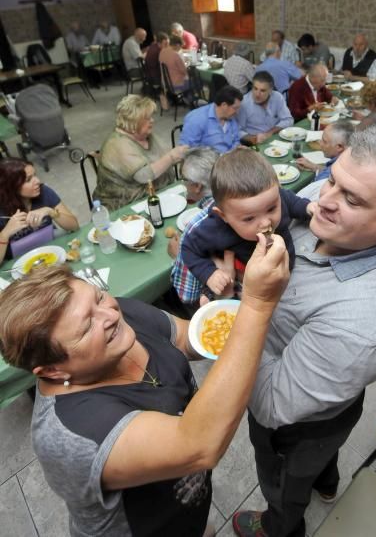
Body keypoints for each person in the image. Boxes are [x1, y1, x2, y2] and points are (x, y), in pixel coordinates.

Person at [232, 125, 376, 537]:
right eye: (332, 178)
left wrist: (245, 314)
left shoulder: (367, 325)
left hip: (299, 424)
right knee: (320, 463)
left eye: (352, 199)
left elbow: (273, 404)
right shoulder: (327, 205)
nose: (321, 202)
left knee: (285, 483)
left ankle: (278, 527)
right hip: (329, 390)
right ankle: (327, 483)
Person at [0, 239, 289, 537]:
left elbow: (184, 339)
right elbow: (199, 444)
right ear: (52, 369)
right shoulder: (73, 434)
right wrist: (256, 306)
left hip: (184, 507)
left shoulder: (115, 318)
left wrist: (218, 326)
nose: (111, 315)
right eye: (87, 327)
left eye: (98, 298)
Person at [182, 147, 312, 300]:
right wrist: (209, 273)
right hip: (250, 285)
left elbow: (290, 200)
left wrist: (307, 207)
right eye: (249, 218)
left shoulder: (275, 198)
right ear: (223, 216)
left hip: (288, 272)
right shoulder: (216, 228)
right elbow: (188, 248)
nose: (265, 223)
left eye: (271, 208)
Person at [94, 95, 187, 210]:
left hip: (157, 195)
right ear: (133, 121)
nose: (152, 120)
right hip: (126, 206)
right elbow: (144, 175)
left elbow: (163, 154)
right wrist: (171, 157)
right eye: (147, 118)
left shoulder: (145, 135)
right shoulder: (117, 144)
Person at [0, 159, 78, 264]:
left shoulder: (43, 191)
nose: (38, 181)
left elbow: (74, 226)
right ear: (12, 187)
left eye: (35, 175)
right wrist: (5, 234)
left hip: (51, 251)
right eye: (28, 180)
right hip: (19, 263)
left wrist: (50, 212)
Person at [169, 147, 219, 305]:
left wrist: (178, 255)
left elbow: (187, 296)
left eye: (183, 179)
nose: (182, 183)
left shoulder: (195, 227)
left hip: (215, 299)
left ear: (197, 186)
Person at [180, 86, 243, 153]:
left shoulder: (230, 117)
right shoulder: (196, 119)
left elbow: (236, 140)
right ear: (224, 105)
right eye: (235, 108)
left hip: (228, 159)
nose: (237, 112)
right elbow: (187, 151)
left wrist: (237, 149)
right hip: (207, 161)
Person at [237, 71, 293, 145]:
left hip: (276, 139)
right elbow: (237, 130)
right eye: (255, 88)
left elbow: (288, 120)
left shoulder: (277, 97)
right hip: (254, 144)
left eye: (262, 90)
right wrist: (254, 138)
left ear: (270, 90)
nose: (257, 94)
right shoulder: (244, 103)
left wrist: (270, 132)